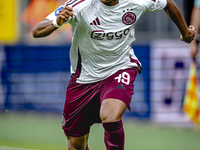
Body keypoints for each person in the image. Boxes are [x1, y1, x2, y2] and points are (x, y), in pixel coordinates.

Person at [32, 0, 196, 149]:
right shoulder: (79, 5)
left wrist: (185, 32)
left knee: (110, 115)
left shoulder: (137, 2)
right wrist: (56, 22)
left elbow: (167, 3)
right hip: (83, 79)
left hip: (120, 68)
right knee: (76, 144)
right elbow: (37, 31)